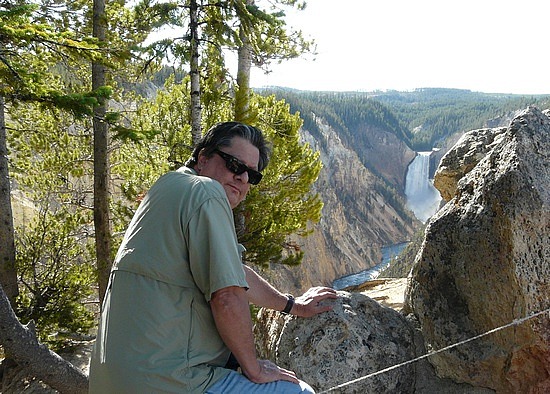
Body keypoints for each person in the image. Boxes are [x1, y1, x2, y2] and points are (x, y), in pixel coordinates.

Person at [89, 121, 338, 393]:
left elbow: (235, 273)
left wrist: (292, 305)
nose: (242, 178)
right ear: (203, 158)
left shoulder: (168, 186)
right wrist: (253, 367)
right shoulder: (207, 192)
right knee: (297, 392)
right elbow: (228, 297)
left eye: (252, 175)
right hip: (170, 381)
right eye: (234, 165)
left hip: (113, 380)